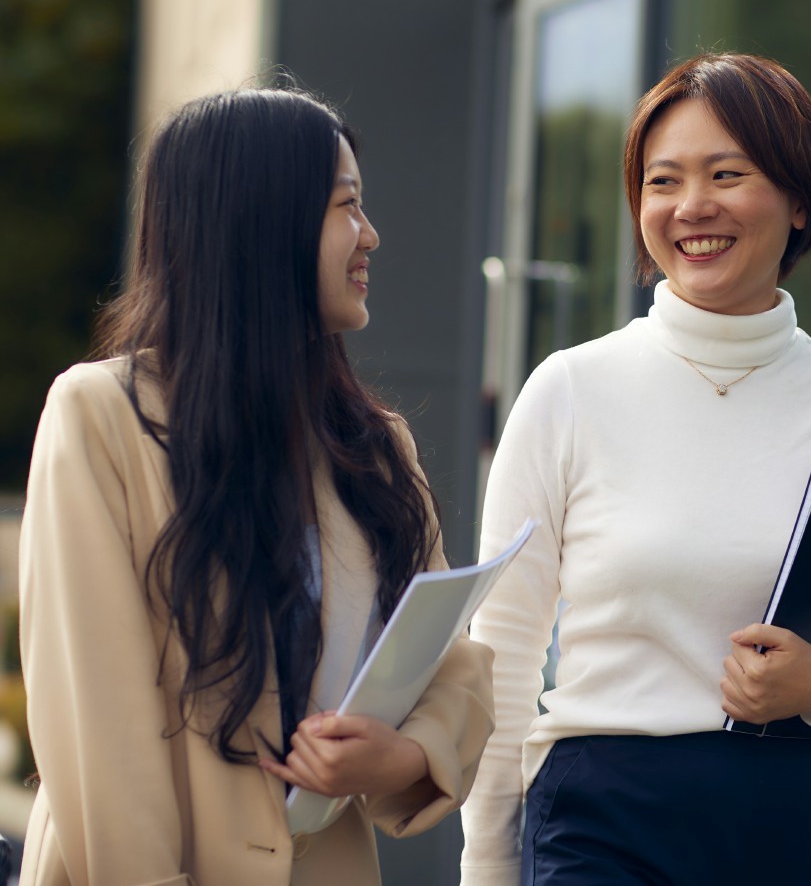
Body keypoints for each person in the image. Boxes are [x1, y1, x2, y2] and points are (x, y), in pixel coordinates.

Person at [459, 53, 811, 885]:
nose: (691, 206)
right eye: (662, 181)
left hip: (793, 822)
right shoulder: (571, 388)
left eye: (727, 174)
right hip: (601, 821)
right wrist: (486, 866)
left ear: (799, 200)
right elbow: (504, 651)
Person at [17, 87, 495, 884]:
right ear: (259, 224)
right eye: (346, 207)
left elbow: (453, 661)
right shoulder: (101, 417)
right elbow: (99, 729)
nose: (370, 235)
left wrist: (404, 754)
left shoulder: (375, 450)